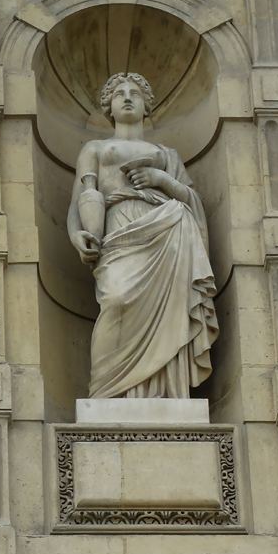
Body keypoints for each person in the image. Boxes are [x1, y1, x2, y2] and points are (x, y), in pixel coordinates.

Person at [67, 72, 218, 398]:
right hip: (118, 228)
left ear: (147, 104)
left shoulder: (168, 154)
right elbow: (81, 198)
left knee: (172, 308)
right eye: (119, 92)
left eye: (134, 92)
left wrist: (159, 179)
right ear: (108, 105)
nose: (127, 97)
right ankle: (107, 392)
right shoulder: (95, 148)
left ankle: (164, 391)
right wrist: (76, 235)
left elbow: (191, 200)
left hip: (165, 227)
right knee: (117, 299)